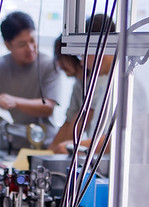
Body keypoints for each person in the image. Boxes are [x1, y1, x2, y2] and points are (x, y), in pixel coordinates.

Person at [0, 11, 61, 152]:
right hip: (8, 148)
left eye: (33, 40)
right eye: (22, 44)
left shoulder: (49, 65)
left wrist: (14, 102)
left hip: (42, 148)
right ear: (8, 45)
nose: (30, 48)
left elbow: (48, 107)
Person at [49, 14, 115, 155]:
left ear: (99, 46)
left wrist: (72, 147)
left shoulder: (122, 85)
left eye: (83, 55)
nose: (82, 62)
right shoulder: (104, 82)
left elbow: (118, 139)